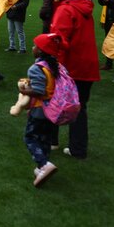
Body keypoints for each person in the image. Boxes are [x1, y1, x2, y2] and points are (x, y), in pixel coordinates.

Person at [49, 0, 100, 160]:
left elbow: (59, 42)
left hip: (71, 66)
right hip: (87, 65)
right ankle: (77, 148)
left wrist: (55, 67)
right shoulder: (82, 6)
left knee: (54, 101)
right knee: (80, 108)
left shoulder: (65, 10)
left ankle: (53, 142)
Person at [17, 33, 66, 187]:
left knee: (30, 138)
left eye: (35, 46)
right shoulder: (55, 66)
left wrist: (25, 92)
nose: (33, 48)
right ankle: (41, 169)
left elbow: (39, 91)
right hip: (53, 110)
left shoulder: (36, 68)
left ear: (41, 50)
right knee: (44, 139)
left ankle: (44, 164)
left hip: (40, 110)